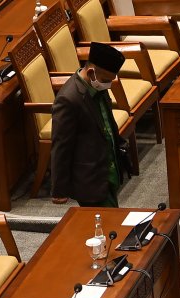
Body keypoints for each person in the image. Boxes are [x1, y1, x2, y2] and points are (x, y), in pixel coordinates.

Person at [50, 42, 128, 208]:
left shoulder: (98, 85)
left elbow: (107, 121)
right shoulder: (68, 99)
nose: (108, 84)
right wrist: (59, 189)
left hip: (108, 168)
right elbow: (61, 146)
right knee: (106, 225)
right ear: (91, 72)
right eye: (106, 80)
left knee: (111, 221)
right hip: (90, 177)